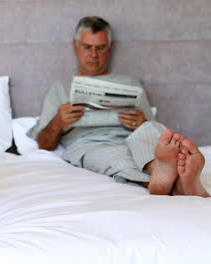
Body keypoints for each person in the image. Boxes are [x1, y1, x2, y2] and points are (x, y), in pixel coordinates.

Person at [27, 16, 209, 197]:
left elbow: (151, 130)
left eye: (100, 48)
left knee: (151, 129)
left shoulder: (130, 82)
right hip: (89, 143)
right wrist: (58, 122)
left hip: (133, 137)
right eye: (87, 47)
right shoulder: (60, 88)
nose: (93, 54)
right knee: (113, 156)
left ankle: (158, 169)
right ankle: (177, 185)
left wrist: (141, 121)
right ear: (76, 46)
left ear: (110, 48)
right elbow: (43, 144)